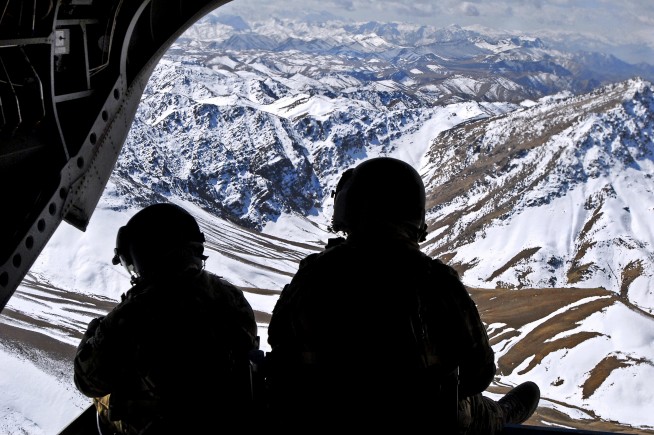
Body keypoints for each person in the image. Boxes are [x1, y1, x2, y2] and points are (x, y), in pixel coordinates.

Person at [266, 157, 540, 434]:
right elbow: (478, 372)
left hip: (321, 425)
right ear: (414, 217)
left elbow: (280, 342)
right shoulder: (436, 282)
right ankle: (501, 414)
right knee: (468, 407)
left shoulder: (313, 275)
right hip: (415, 430)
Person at [73, 203, 260, 435]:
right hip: (234, 422)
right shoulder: (231, 296)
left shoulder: (133, 315)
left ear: (144, 256)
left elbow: (87, 382)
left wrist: (94, 331)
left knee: (103, 400)